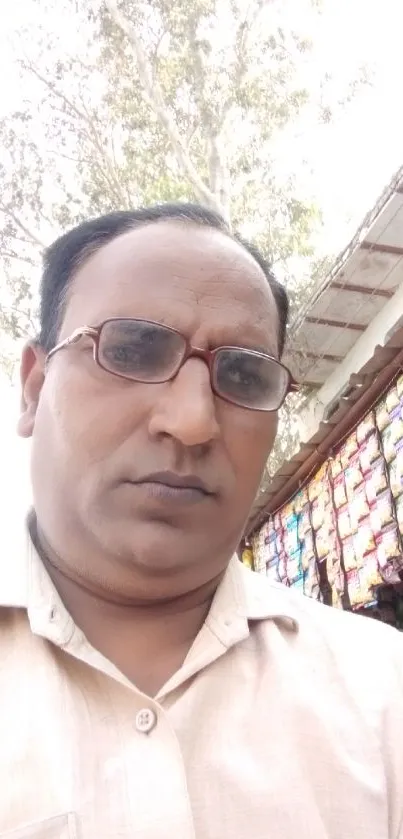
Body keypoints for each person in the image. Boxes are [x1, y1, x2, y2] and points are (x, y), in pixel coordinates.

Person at [0, 203, 402, 839]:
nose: (191, 421)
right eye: (131, 350)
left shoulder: (385, 695)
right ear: (33, 387)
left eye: (243, 375)